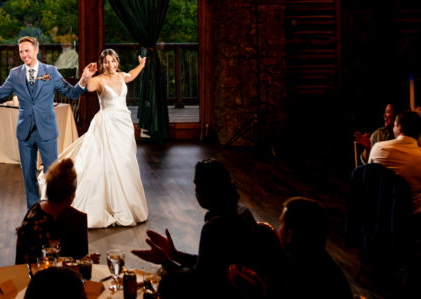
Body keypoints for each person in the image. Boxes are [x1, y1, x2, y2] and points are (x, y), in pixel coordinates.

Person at [0, 36, 93, 208]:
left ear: (36, 50)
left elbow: (71, 93)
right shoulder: (15, 74)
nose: (24, 54)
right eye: (21, 51)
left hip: (46, 130)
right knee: (28, 175)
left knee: (52, 174)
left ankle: (53, 209)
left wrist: (84, 79)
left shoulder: (51, 71)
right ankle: (33, 212)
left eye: (27, 50)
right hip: (24, 132)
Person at [42, 48, 148, 228]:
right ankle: (105, 203)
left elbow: (131, 74)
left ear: (117, 62)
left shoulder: (122, 76)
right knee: (105, 161)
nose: (110, 65)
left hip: (123, 124)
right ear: (102, 64)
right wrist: (86, 75)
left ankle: (127, 202)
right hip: (107, 123)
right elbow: (88, 87)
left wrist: (142, 64)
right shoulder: (99, 80)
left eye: (113, 61)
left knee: (125, 161)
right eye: (106, 62)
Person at [133, 159, 263, 294]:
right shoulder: (244, 212)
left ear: (209, 190)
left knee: (168, 283)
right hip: (238, 286)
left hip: (226, 290)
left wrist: (165, 262)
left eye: (198, 186)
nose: (196, 191)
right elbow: (210, 265)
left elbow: (200, 280)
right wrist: (174, 254)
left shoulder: (216, 226)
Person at [16, 157, 89, 263]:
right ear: (71, 196)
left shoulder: (32, 218)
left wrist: (86, 260)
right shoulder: (77, 220)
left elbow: (21, 266)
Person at [369, 110, 421, 214]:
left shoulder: (377, 147)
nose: (393, 129)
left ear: (400, 127)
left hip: (378, 214)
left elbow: (369, 179)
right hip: (410, 219)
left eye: (394, 125)